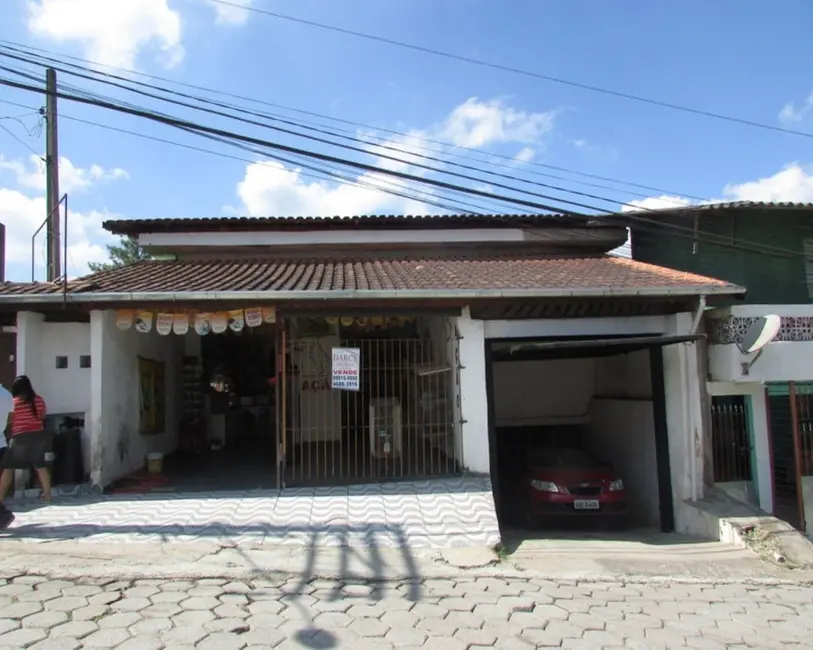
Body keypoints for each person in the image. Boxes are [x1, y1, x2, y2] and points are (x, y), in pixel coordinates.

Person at [0, 376, 50, 529]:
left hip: (20, 437)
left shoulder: (16, 401)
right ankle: (47, 494)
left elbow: (11, 420)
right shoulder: (37, 400)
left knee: (8, 469)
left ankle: (1, 500)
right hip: (37, 435)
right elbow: (42, 416)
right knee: (40, 465)